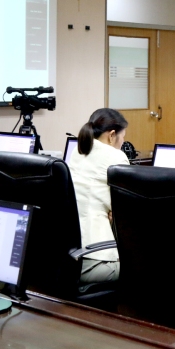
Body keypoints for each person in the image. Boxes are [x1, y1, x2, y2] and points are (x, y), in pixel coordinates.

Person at [68, 108, 130, 287]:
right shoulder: (116, 157)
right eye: (123, 137)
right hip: (94, 261)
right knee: (150, 269)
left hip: (68, 256)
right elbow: (126, 214)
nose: (123, 142)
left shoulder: (78, 151)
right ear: (112, 135)